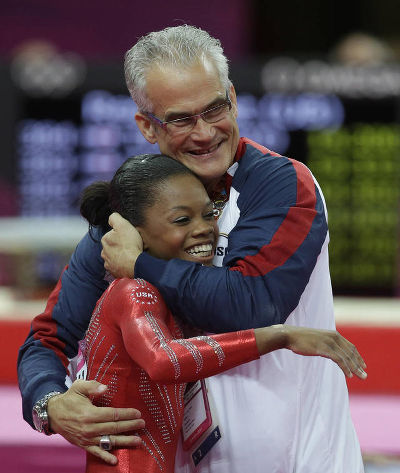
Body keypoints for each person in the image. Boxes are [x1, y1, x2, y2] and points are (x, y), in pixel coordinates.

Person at [18, 25, 365, 472]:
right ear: (146, 125)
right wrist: (51, 404)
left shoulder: (281, 184)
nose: (205, 133)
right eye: (182, 119)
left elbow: (253, 304)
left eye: (215, 108)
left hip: (304, 462)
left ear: (234, 98)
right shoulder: (127, 213)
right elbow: (48, 339)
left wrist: (141, 264)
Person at [81, 153, 366, 473]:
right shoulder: (133, 291)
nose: (204, 229)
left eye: (208, 214)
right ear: (136, 233)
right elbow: (165, 361)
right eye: (182, 220)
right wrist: (281, 335)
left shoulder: (162, 294)